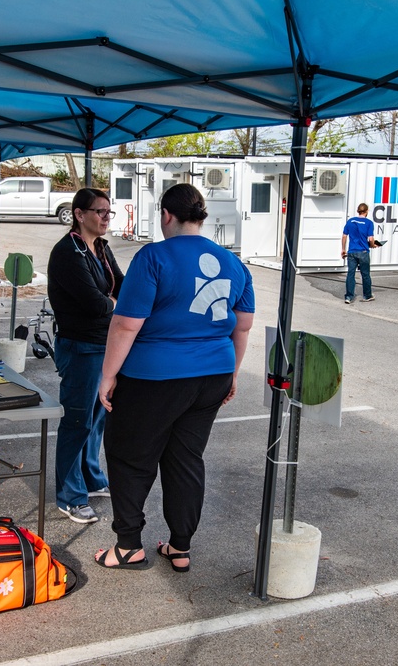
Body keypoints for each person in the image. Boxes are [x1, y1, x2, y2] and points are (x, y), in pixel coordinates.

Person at [94, 183, 254, 571]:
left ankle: (129, 544)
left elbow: (126, 326)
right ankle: (179, 546)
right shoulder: (234, 263)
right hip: (212, 374)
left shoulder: (153, 257)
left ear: (166, 214)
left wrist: (107, 376)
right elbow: (243, 327)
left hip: (155, 377)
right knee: (186, 459)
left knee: (130, 455)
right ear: (201, 217)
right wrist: (231, 374)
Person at [47, 188, 125, 524]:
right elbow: (95, 304)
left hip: (104, 346)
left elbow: (120, 286)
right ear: (79, 214)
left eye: (110, 212)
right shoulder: (67, 252)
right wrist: (114, 304)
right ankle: (69, 495)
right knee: (78, 421)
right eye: (100, 212)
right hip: (80, 347)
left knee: (97, 420)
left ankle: (91, 478)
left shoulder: (101, 248)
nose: (106, 218)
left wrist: (116, 301)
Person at [340, 202, 379, 304]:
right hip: (363, 252)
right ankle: (367, 295)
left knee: (350, 274)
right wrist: (373, 245)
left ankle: (348, 297)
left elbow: (344, 236)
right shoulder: (369, 223)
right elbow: (370, 238)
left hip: (352, 252)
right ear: (366, 211)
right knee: (365, 274)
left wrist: (343, 249)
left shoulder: (350, 221)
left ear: (358, 211)